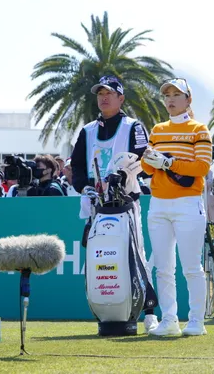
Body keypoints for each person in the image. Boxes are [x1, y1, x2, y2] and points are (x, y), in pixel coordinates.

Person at [70, 75, 159, 333]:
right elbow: (77, 166)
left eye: (109, 93)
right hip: (96, 205)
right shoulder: (87, 130)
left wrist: (124, 173)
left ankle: (149, 311)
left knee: (136, 253)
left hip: (126, 202)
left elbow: (144, 161)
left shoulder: (133, 127)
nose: (103, 98)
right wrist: (83, 187)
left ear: (121, 98)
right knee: (100, 257)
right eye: (100, 94)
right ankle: (107, 310)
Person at [142, 78, 213, 337]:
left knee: (191, 267)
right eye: (167, 95)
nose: (170, 99)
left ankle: (196, 321)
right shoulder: (158, 130)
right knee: (163, 268)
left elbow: (201, 167)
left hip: (187, 204)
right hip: (158, 203)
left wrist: (169, 163)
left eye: (176, 94)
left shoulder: (199, 130)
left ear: (188, 99)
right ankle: (169, 320)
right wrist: (153, 160)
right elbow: (147, 167)